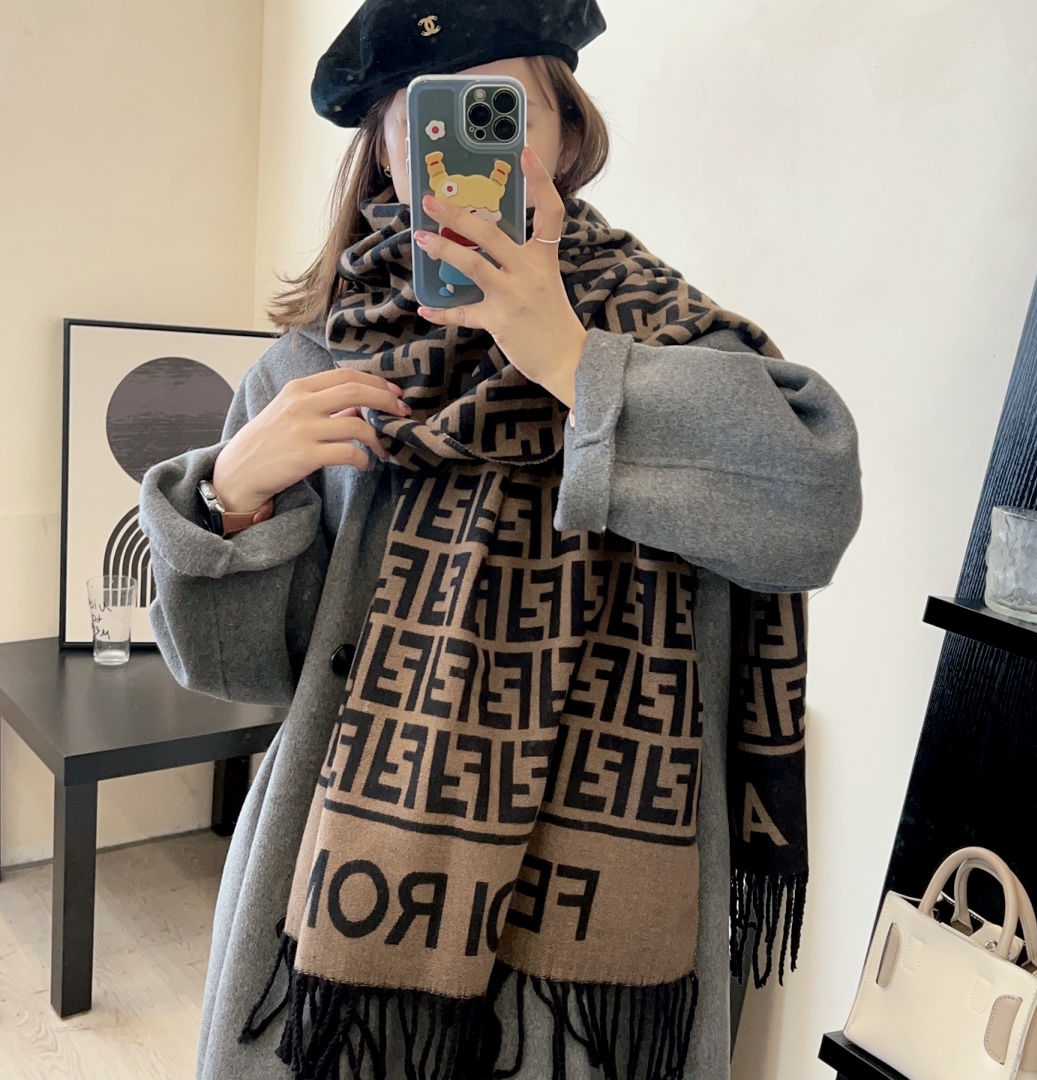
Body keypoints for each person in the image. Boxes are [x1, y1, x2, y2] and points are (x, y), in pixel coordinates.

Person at [139, 2, 862, 1078]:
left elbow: (811, 511)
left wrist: (571, 361)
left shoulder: (678, 345)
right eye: (424, 115)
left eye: (499, 107)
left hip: (594, 973)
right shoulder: (311, 368)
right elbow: (241, 670)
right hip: (340, 910)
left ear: (564, 135)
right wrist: (229, 500)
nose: (459, 147)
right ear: (387, 151)